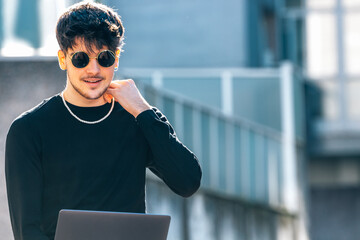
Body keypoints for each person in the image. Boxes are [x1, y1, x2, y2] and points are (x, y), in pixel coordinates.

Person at [5, 2, 202, 240]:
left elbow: (188, 181)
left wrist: (142, 109)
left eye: (104, 57)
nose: (94, 69)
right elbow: (27, 231)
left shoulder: (137, 120)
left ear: (116, 59)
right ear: (63, 59)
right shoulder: (29, 130)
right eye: (81, 58)